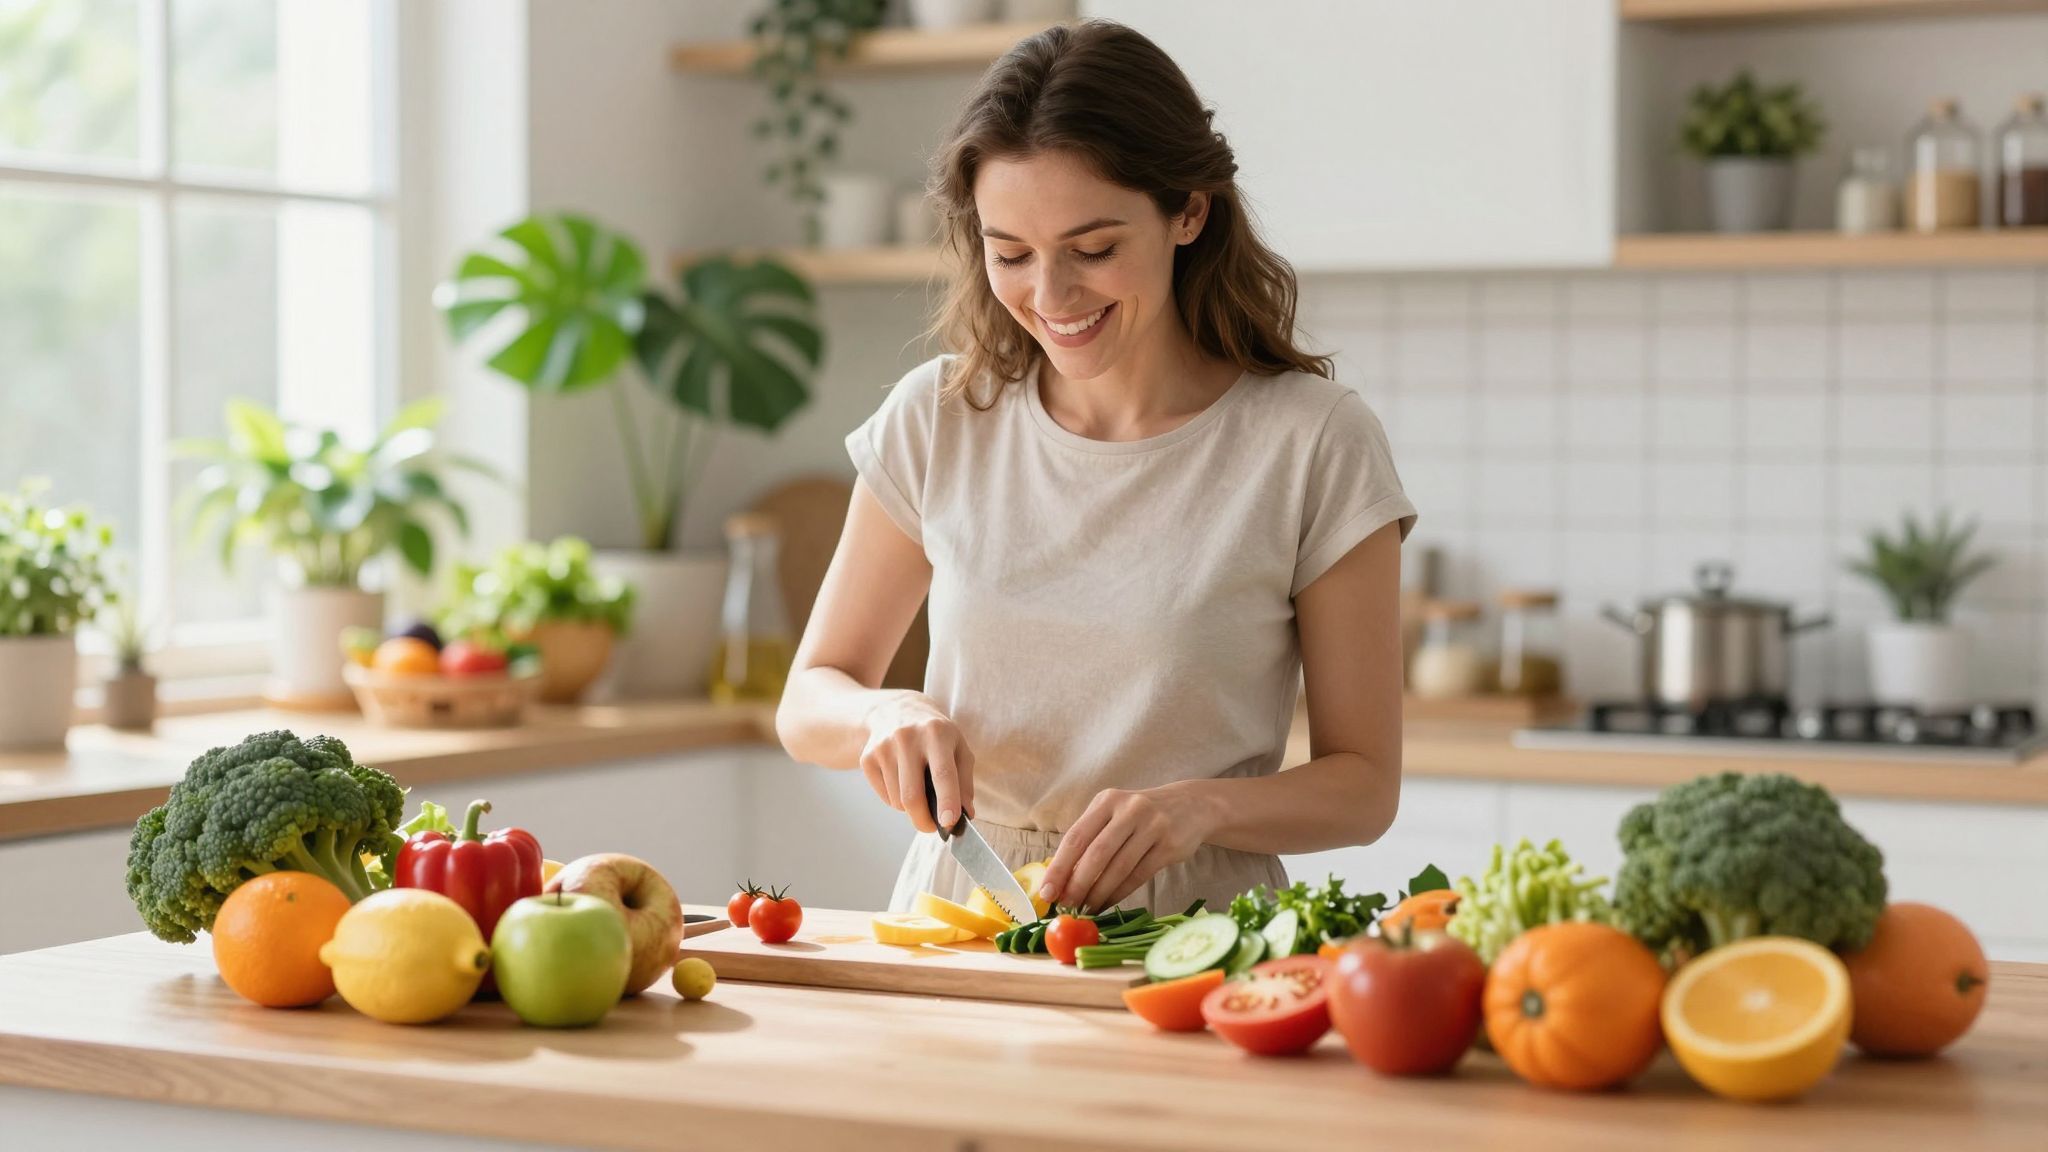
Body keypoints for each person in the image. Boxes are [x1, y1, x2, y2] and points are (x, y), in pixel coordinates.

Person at [774, 20, 1415, 917]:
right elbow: (808, 701)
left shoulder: (1313, 442)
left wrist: (1201, 809)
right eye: (1010, 254)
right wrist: (883, 714)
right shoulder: (938, 417)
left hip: (1199, 933)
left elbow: (1364, 786)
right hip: (965, 911)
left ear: (1189, 212)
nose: (1051, 296)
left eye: (1094, 249)